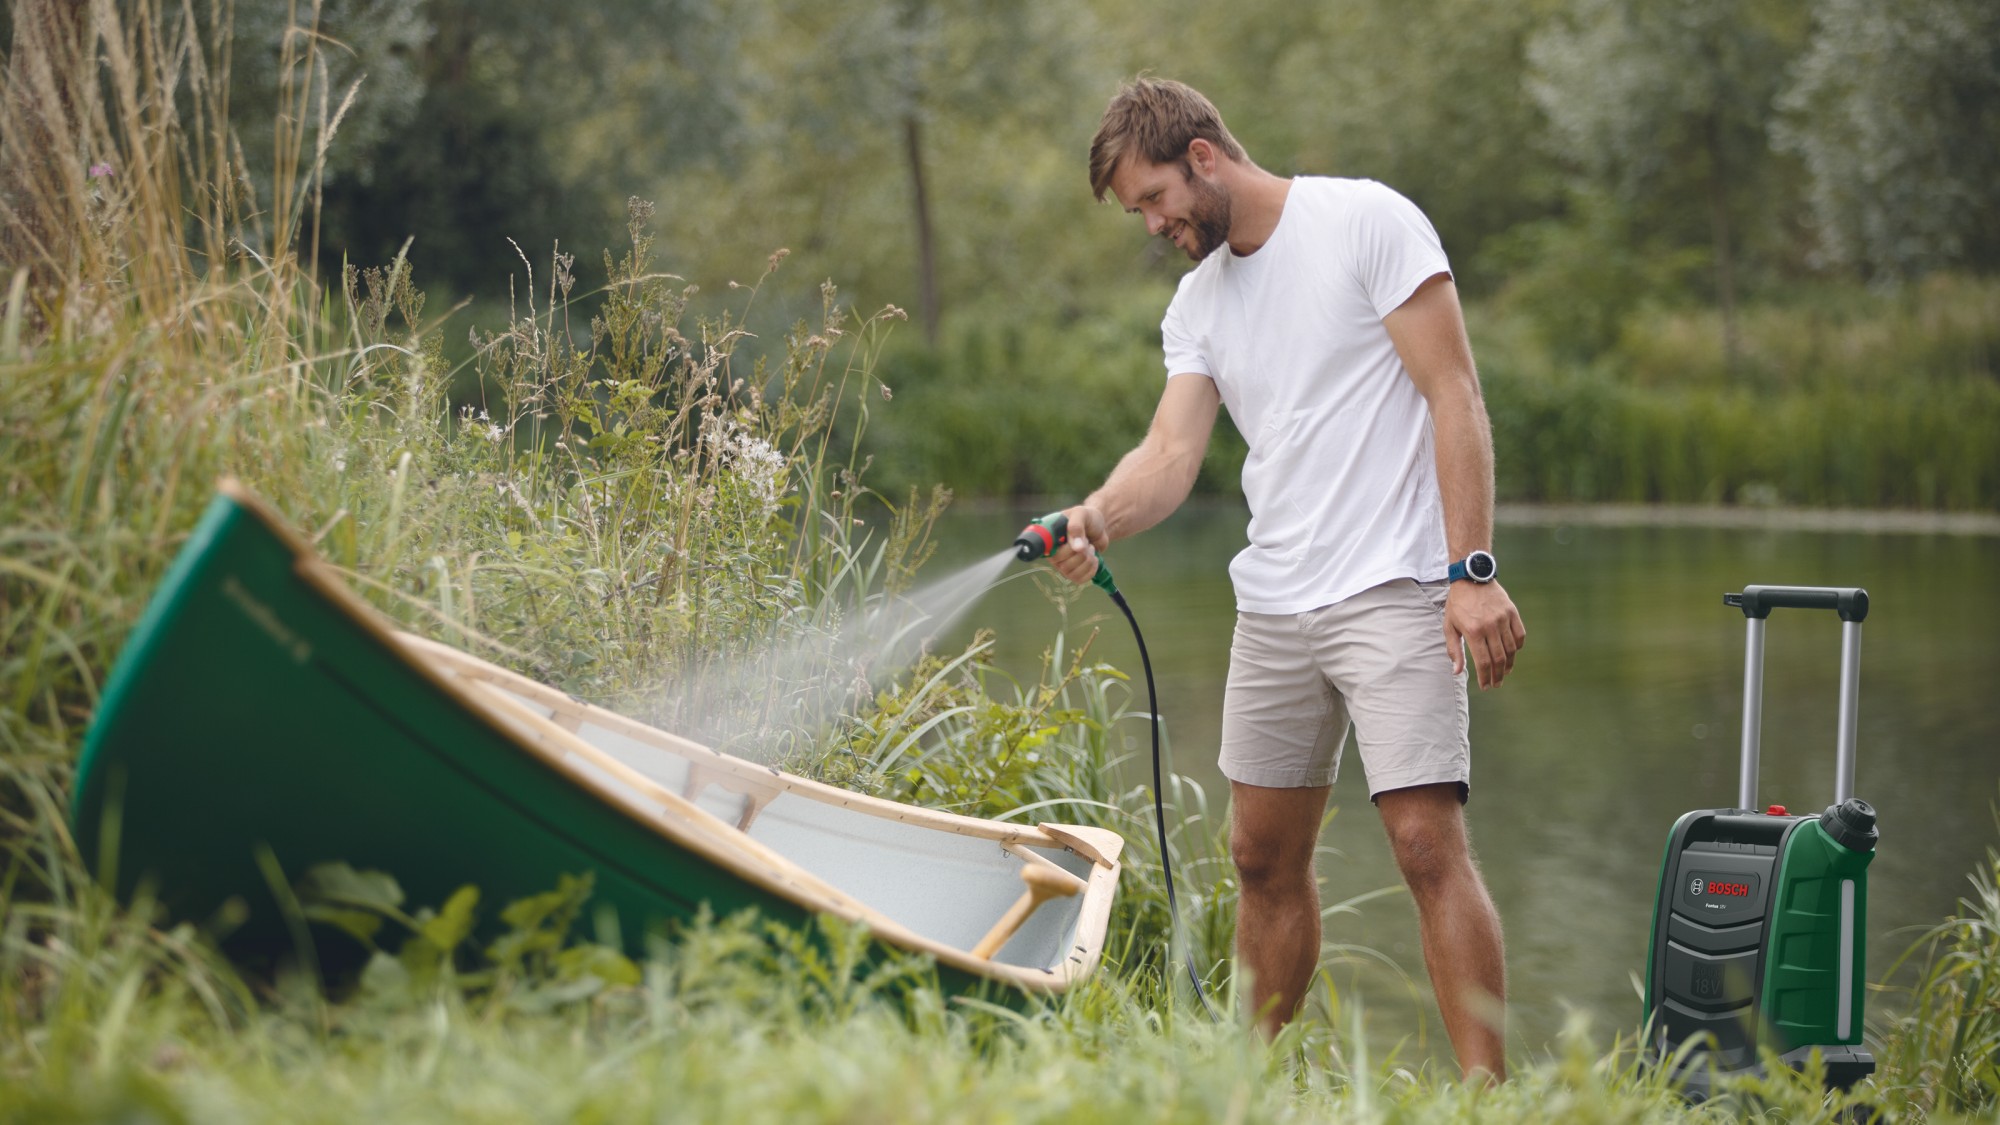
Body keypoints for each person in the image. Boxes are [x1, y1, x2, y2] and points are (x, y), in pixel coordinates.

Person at [1052, 77, 1525, 1081]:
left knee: (1422, 845)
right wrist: (1095, 514)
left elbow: (1454, 396)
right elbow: (1170, 454)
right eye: (1137, 212)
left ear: (1202, 157)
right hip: (1273, 606)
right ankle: (1247, 1088)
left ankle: (1493, 1099)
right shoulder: (1198, 304)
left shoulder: (1364, 222)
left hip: (1397, 585)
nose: (1151, 224)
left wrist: (1470, 571)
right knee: (1258, 859)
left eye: (1152, 199)